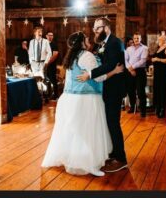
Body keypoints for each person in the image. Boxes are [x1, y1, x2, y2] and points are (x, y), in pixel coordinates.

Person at [41, 31, 120, 177]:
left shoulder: (70, 57)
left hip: (69, 97)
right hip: (86, 98)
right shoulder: (87, 55)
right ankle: (88, 163)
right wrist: (114, 71)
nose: (89, 39)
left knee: (75, 132)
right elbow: (99, 77)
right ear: (82, 42)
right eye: (86, 38)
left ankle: (73, 158)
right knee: (88, 131)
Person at [76, 17, 127, 172]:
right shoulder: (104, 44)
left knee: (113, 122)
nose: (95, 32)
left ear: (106, 28)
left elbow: (110, 65)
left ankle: (121, 158)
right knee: (110, 121)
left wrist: (90, 74)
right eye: (94, 29)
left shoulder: (114, 43)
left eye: (97, 28)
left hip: (115, 89)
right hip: (108, 88)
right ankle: (114, 152)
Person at [124, 32, 148, 116]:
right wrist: (130, 69)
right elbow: (125, 60)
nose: (136, 40)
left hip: (140, 71)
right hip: (130, 71)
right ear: (133, 39)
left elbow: (143, 60)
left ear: (140, 39)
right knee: (130, 91)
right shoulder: (128, 49)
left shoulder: (144, 48)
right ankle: (132, 107)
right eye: (135, 38)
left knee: (141, 91)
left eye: (138, 38)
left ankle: (143, 110)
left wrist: (132, 67)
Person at [150, 32, 166, 117]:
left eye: (160, 39)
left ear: (164, 40)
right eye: (158, 39)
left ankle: (163, 109)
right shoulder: (158, 48)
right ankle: (157, 107)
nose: (158, 41)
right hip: (157, 72)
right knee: (157, 90)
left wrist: (158, 59)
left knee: (163, 90)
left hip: (164, 73)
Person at [44, 31, 60, 100]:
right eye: (49, 35)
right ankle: (47, 95)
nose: (50, 37)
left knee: (53, 80)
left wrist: (47, 63)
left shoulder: (54, 45)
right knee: (45, 80)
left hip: (51, 66)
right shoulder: (44, 44)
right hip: (44, 66)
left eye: (52, 35)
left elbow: (55, 55)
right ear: (46, 36)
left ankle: (56, 95)